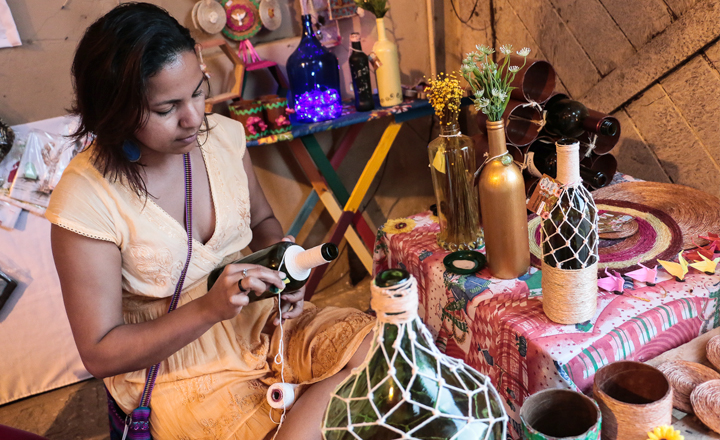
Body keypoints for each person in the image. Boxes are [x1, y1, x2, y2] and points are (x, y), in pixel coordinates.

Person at [46, 3, 374, 439]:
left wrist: (284, 276)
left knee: (386, 349)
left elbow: (263, 219)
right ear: (116, 111)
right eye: (167, 108)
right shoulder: (87, 198)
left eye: (198, 92)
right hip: (180, 371)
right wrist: (208, 310)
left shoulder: (222, 137)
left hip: (267, 326)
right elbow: (101, 352)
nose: (194, 118)